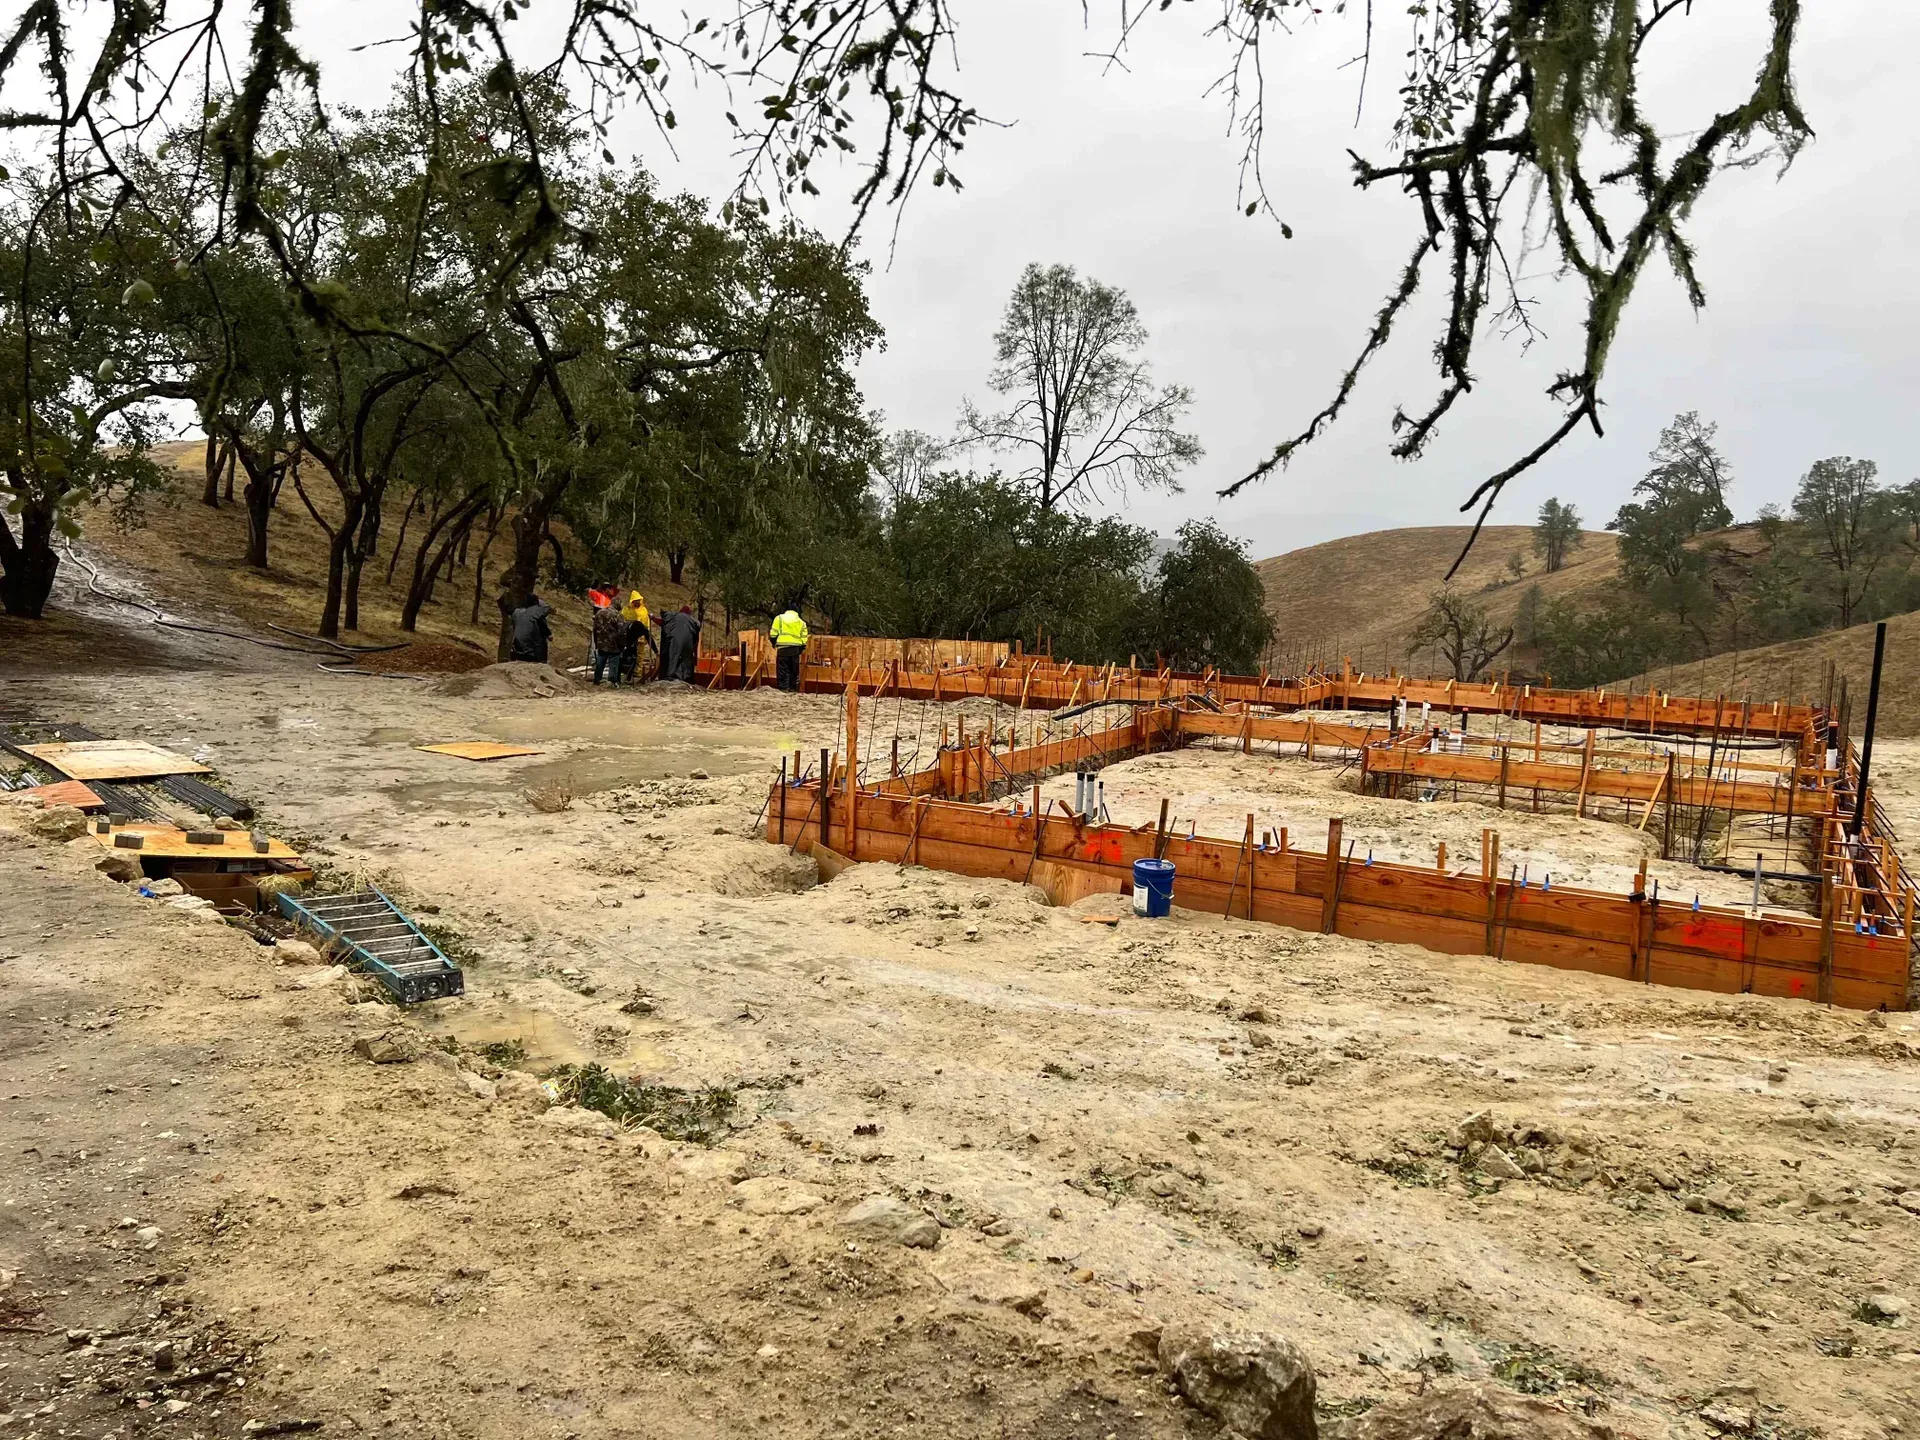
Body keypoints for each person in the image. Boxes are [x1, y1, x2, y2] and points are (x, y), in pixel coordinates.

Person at [620, 590, 657, 683]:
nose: (637, 602)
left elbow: (646, 623)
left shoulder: (643, 610)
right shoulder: (626, 610)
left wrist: (645, 634)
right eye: (635, 601)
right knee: (629, 654)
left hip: (641, 634)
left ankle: (638, 670)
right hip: (629, 635)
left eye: (638, 600)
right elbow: (622, 621)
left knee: (640, 654)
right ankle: (626, 670)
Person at [591, 598, 631, 685]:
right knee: (614, 661)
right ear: (617, 604)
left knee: (600, 660)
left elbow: (594, 628)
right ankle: (612, 680)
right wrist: (623, 644)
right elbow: (621, 631)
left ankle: (597, 679)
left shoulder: (599, 613)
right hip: (614, 643)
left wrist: (596, 641)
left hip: (601, 642)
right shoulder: (617, 615)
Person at [657, 604, 700, 684]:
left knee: (674, 656)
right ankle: (687, 677)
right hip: (689, 640)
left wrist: (653, 617)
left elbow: (664, 619)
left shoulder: (675, 615)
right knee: (687, 658)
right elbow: (697, 632)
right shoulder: (693, 620)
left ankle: (670, 675)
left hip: (677, 638)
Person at [769, 607, 809, 692]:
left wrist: (773, 642)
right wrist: (801, 649)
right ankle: (792, 688)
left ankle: (783, 688)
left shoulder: (779, 618)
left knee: (782, 669)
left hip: (782, 648)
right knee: (793, 670)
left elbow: (773, 633)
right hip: (795, 649)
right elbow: (804, 638)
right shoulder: (801, 622)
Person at [508, 593, 552, 663]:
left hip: (518, 650)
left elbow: (514, 627)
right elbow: (543, 626)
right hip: (533, 652)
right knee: (543, 640)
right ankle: (543, 662)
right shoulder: (536, 612)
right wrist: (549, 635)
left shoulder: (516, 613)